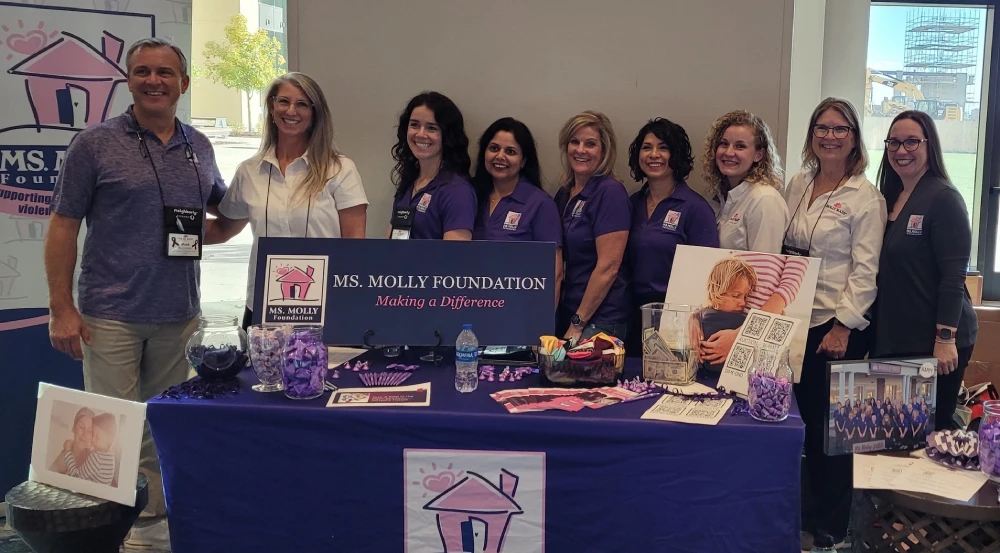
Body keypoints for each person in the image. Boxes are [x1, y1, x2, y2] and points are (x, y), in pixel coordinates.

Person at [45, 37, 226, 550]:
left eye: (165, 73)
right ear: (128, 80)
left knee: (162, 426)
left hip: (178, 313)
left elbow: (219, 215)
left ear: (183, 84)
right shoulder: (95, 144)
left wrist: (222, 231)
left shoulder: (199, 146)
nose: (154, 81)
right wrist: (62, 308)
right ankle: (105, 534)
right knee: (107, 431)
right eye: (143, 71)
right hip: (111, 314)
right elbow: (63, 226)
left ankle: (151, 528)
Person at [784, 98, 886, 550]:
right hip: (793, 321)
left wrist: (843, 326)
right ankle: (800, 514)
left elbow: (866, 272)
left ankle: (832, 526)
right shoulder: (798, 183)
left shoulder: (865, 197)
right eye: (822, 128)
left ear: (854, 138)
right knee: (796, 425)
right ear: (812, 136)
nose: (830, 136)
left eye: (840, 129)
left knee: (832, 435)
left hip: (834, 327)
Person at [204, 72, 369, 329]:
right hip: (264, 305)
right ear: (271, 107)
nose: (291, 110)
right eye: (283, 101)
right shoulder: (249, 171)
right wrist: (165, 231)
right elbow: (224, 228)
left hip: (325, 306)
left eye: (302, 104)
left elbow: (355, 249)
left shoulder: (340, 170)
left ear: (315, 113)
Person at [872, 110, 978, 432]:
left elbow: (953, 276)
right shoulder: (891, 197)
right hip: (898, 337)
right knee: (894, 433)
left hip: (935, 340)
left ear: (930, 145)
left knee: (928, 435)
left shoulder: (943, 198)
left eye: (912, 142)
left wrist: (945, 338)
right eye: (894, 142)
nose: (901, 150)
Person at [625, 118, 718, 356]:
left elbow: (706, 277)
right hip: (630, 313)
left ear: (676, 155)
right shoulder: (631, 204)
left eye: (663, 147)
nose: (654, 154)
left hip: (676, 317)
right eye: (647, 147)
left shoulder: (695, 208)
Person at [553, 111, 631, 343]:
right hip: (572, 311)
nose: (580, 150)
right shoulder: (565, 193)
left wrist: (577, 324)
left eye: (590, 144)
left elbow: (609, 267)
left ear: (604, 151)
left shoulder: (610, 193)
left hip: (601, 319)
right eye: (574, 142)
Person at [471, 117, 563, 304]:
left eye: (510, 151)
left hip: (519, 311)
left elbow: (554, 273)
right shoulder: (469, 196)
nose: (500, 156)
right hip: (469, 306)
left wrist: (540, 324)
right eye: (494, 148)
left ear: (523, 161)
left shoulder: (540, 204)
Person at [389, 91, 476, 240]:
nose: (421, 134)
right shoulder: (410, 183)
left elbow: (455, 258)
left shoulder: (457, 191)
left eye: (432, 128)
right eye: (415, 125)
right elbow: (389, 244)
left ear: (447, 135)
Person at [702, 110, 788, 253]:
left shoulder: (764, 200)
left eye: (740, 146)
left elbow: (763, 267)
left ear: (758, 155)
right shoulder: (717, 197)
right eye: (724, 144)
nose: (729, 152)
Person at [693, 257, 757, 373]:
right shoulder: (701, 315)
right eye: (736, 295)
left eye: (745, 297)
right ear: (716, 291)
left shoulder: (743, 319)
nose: (743, 303)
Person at [69, 413, 118, 486]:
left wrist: (67, 452)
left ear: (109, 438)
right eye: (93, 435)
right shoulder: (110, 455)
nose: (93, 440)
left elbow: (75, 476)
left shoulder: (97, 457)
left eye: (97, 437)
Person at [50, 407, 93, 475]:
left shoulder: (94, 459)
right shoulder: (65, 456)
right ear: (74, 428)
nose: (84, 434)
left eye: (89, 431)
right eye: (81, 427)